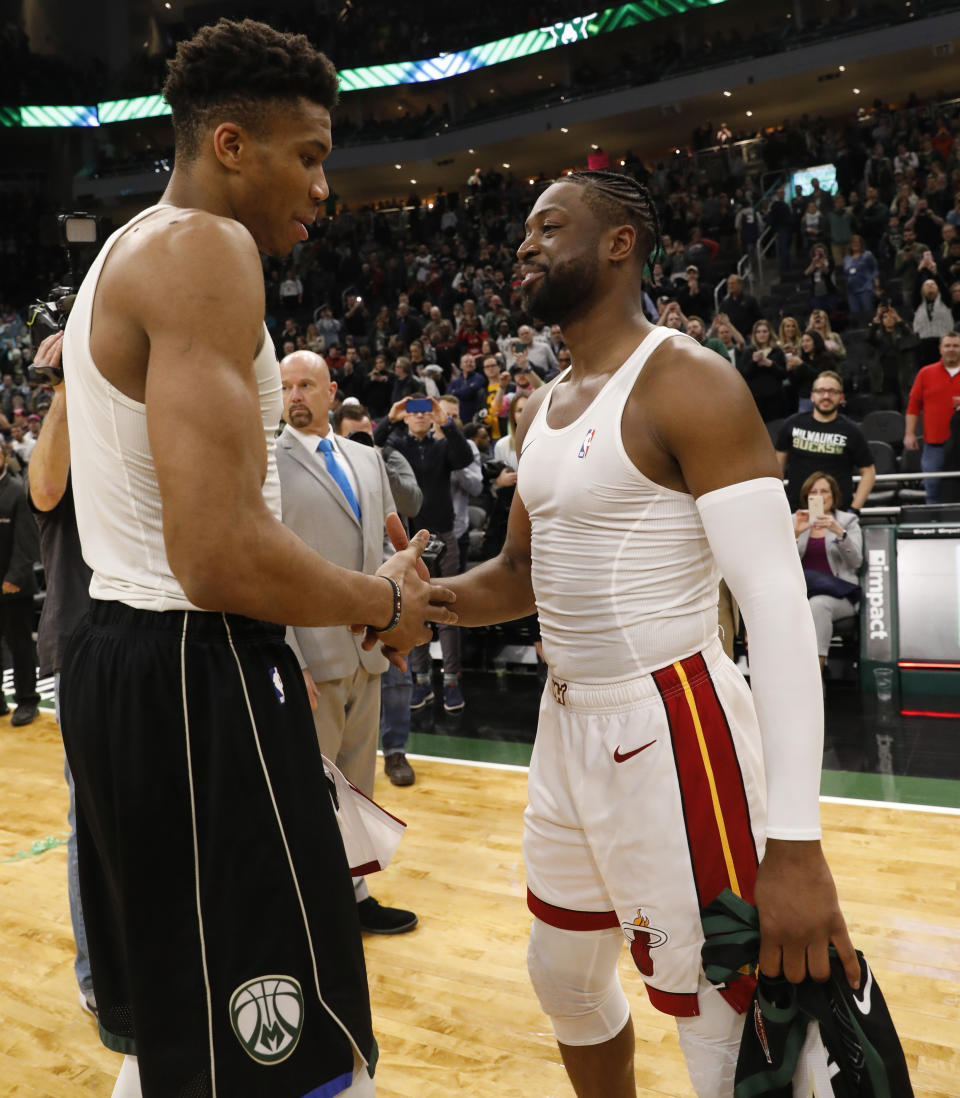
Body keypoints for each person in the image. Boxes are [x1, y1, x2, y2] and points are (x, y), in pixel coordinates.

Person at [59, 19, 456, 1098]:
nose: (327, 186)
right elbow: (219, 554)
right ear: (232, 144)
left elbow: (102, 497)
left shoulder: (124, 251)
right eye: (312, 154)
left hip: (129, 661)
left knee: (187, 1040)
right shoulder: (203, 249)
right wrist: (379, 599)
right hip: (198, 667)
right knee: (297, 1056)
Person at [423, 169, 858, 1098]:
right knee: (563, 977)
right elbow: (517, 577)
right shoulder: (538, 407)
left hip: (675, 720)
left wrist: (796, 841)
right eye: (523, 232)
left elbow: (778, 614)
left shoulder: (690, 381)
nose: (524, 246)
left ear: (620, 243)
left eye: (549, 226)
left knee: (725, 1019)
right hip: (566, 720)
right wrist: (415, 605)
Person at [277, 350, 418, 932]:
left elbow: (385, 551)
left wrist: (397, 625)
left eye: (306, 384)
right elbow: (268, 568)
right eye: (285, 387)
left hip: (366, 652)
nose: (295, 396)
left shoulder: (366, 458)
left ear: (332, 392)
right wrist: (288, 655)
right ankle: (307, 909)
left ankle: (354, 894)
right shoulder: (265, 461)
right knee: (310, 788)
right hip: (310, 654)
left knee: (358, 784)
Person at [24, 331, 96, 1018]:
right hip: (82, 650)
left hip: (152, 644)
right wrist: (67, 386)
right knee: (95, 820)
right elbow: (44, 489)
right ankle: (98, 975)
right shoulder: (62, 435)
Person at [334, 403, 420, 787]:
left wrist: (378, 459)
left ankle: (397, 750)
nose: (360, 442)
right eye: (352, 436)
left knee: (398, 676)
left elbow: (412, 502)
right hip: (341, 592)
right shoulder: (322, 467)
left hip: (390, 587)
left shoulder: (390, 455)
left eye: (366, 434)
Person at [374, 395, 473, 713]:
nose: (418, 416)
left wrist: (446, 421)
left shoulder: (443, 445)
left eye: (424, 411)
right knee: (412, 608)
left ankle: (452, 680)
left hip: (443, 535)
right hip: (408, 542)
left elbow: (464, 456)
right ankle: (420, 680)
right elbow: (369, 449)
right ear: (405, 416)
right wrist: (390, 417)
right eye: (412, 412)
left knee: (447, 608)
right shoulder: (395, 447)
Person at [775, 370, 876, 512]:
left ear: (841, 397)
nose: (826, 396)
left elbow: (869, 473)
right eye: (820, 391)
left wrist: (854, 510)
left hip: (837, 514)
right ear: (812, 396)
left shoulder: (852, 431)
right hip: (797, 512)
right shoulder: (792, 424)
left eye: (832, 391)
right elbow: (777, 469)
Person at [793, 472, 862, 671]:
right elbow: (778, 564)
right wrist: (795, 534)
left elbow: (856, 561)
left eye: (824, 491)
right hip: (801, 594)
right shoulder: (794, 521)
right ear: (807, 497)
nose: (819, 496)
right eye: (813, 492)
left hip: (839, 594)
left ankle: (816, 672)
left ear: (833, 495)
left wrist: (839, 532)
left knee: (818, 605)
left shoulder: (847, 521)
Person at [0, 428, 40, 725]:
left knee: (20, 646)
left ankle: (27, 701)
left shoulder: (16, 491)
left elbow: (27, 543)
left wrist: (14, 577)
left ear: (5, 457)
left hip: (13, 587)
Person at [905, 331, 960, 503]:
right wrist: (909, 433)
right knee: (933, 488)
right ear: (940, 349)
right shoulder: (925, 373)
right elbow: (913, 405)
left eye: (956, 346)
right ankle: (933, 527)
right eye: (947, 345)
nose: (951, 349)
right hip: (934, 445)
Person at [737, 319, 786, 423]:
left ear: (770, 333)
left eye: (765, 331)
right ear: (754, 334)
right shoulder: (748, 352)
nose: (762, 334)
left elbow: (784, 374)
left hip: (775, 401)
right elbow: (743, 374)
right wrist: (753, 362)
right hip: (755, 401)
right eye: (758, 332)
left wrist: (770, 364)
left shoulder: (777, 351)